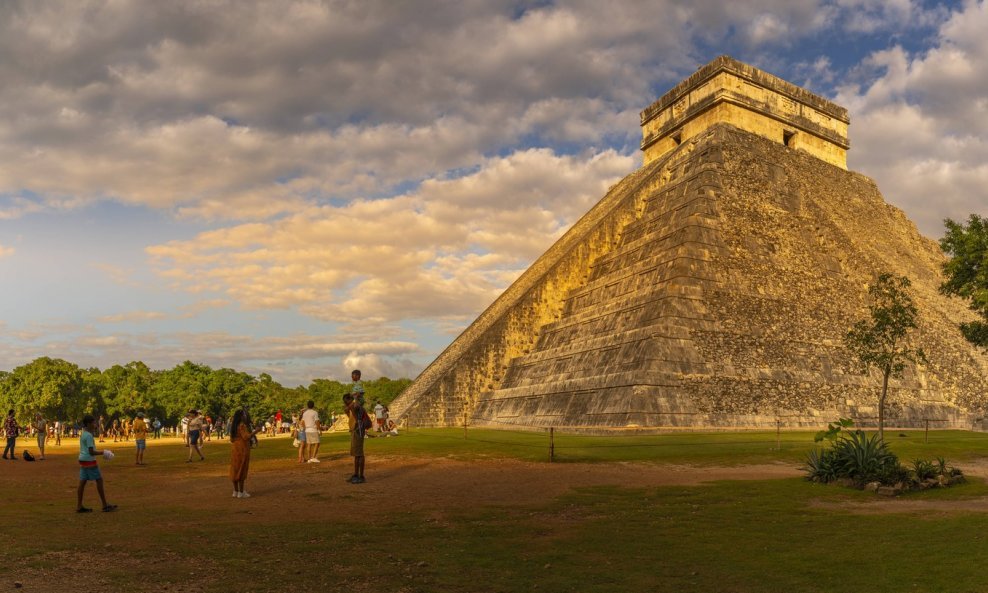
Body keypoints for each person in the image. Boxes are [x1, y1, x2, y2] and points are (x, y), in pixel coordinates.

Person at [76, 414, 117, 513]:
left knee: (82, 483)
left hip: (82, 460)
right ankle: (104, 505)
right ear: (89, 424)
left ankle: (79, 506)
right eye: (93, 423)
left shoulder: (83, 433)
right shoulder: (89, 436)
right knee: (99, 480)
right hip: (89, 460)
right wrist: (104, 452)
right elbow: (91, 451)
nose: (95, 424)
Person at [229, 409, 263, 498]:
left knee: (235, 469)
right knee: (242, 468)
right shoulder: (242, 425)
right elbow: (246, 437)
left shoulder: (233, 426)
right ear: (241, 417)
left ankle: (235, 491)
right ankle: (241, 492)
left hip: (235, 448)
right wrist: (256, 431)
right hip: (242, 448)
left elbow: (231, 439)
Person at [344, 394, 367, 483]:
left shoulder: (356, 406)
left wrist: (355, 399)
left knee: (359, 454)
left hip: (358, 430)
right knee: (356, 454)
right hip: (354, 430)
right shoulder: (351, 407)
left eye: (346, 401)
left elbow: (356, 416)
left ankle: (361, 476)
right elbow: (351, 417)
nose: (346, 403)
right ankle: (356, 474)